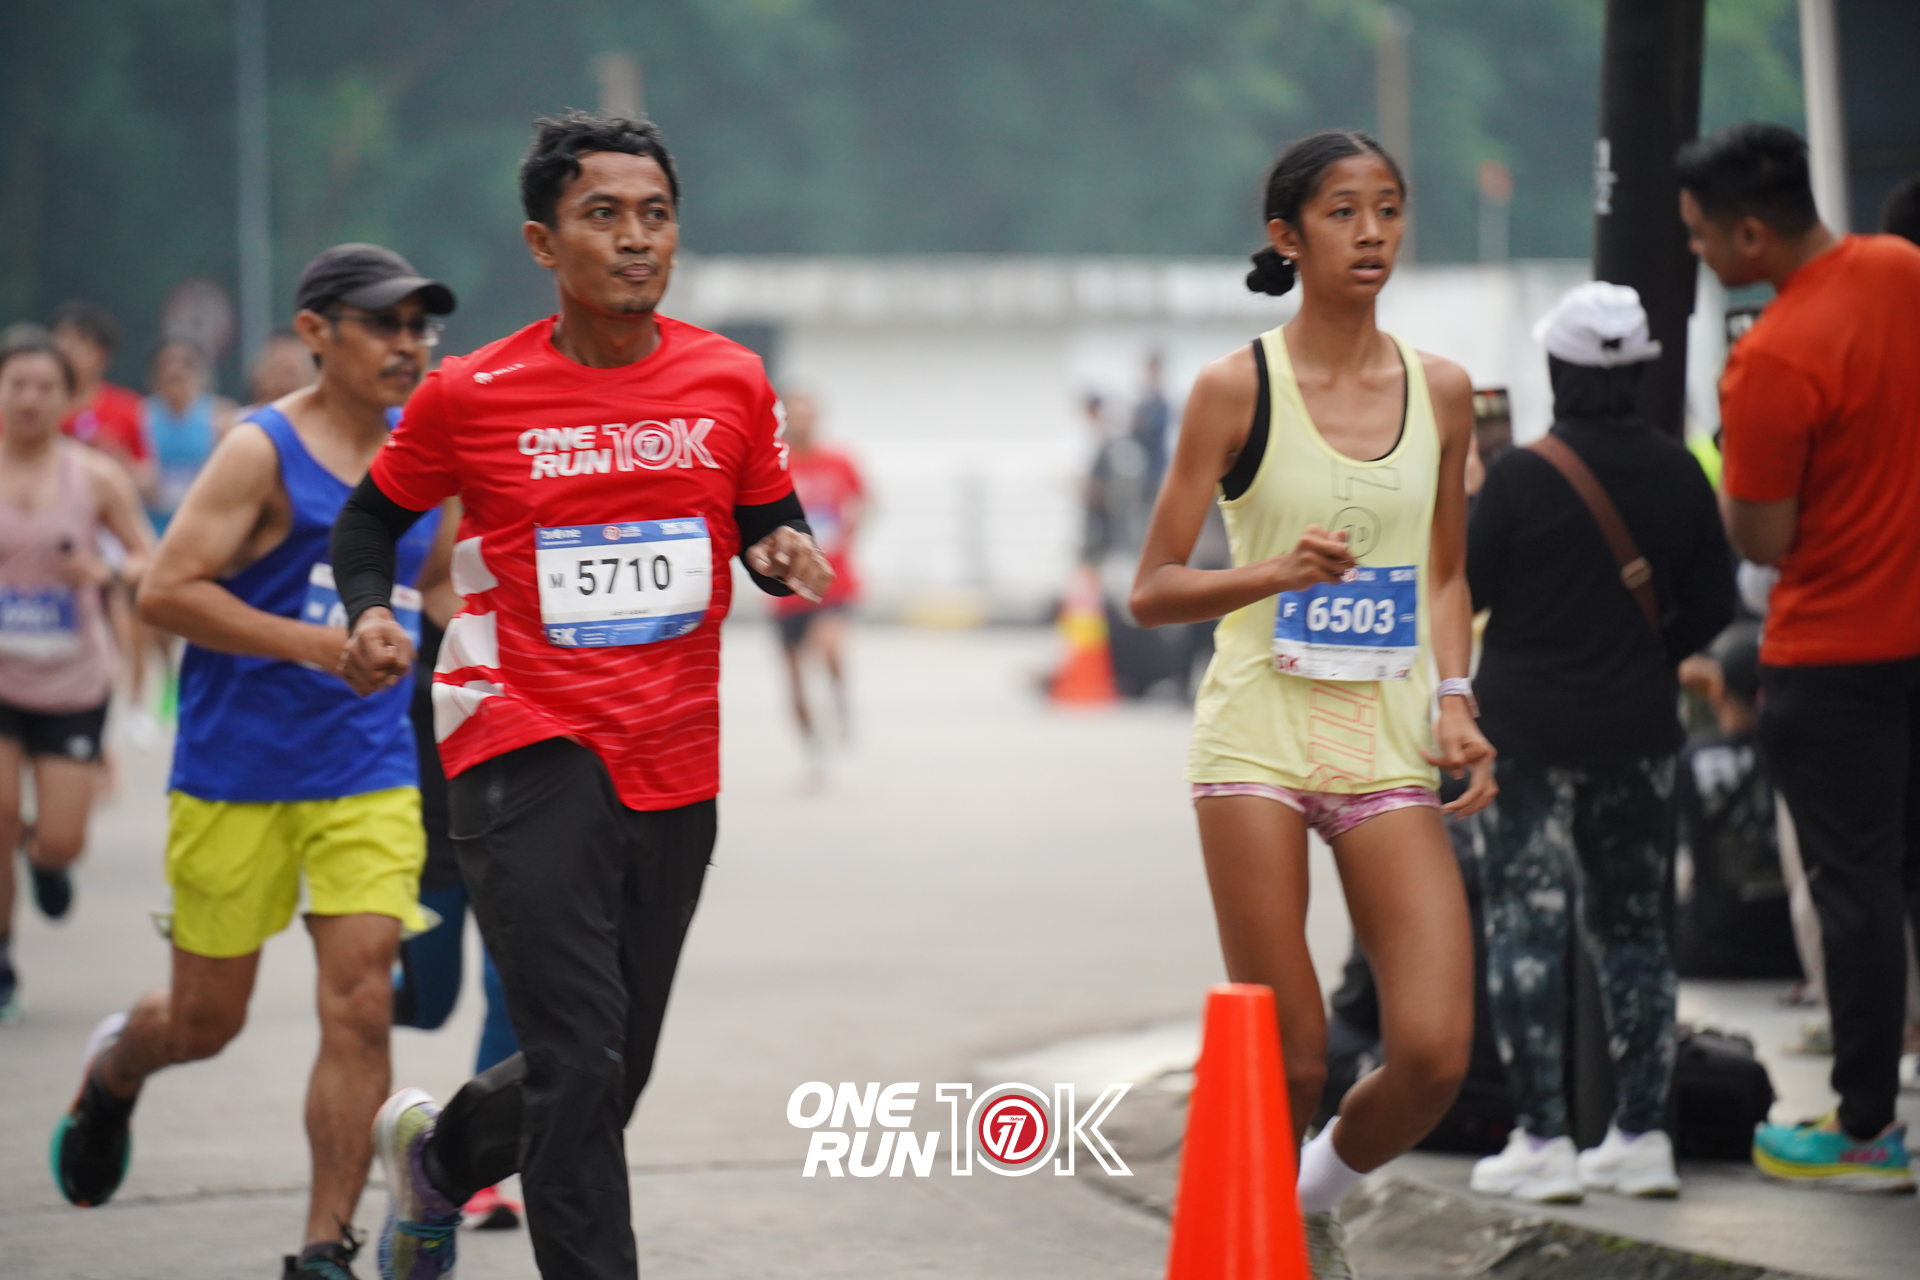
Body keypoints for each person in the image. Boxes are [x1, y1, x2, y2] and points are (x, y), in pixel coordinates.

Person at [327, 112, 830, 1280]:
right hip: (522, 742)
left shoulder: (729, 378)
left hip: (674, 756)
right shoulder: (473, 390)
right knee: (579, 1057)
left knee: (608, 1070)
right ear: (544, 244)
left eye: (655, 214)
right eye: (604, 215)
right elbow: (369, 519)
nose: (636, 237)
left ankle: (443, 1159)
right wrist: (368, 610)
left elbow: (764, 518)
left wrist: (783, 551)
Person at [49, 243, 458, 1280]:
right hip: (239, 770)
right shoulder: (259, 451)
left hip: (369, 765)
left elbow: (439, 585)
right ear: (316, 332)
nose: (408, 344)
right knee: (205, 1020)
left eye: (420, 326)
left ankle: (324, 1244)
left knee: (361, 999)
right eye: (384, 323)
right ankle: (115, 1073)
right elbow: (166, 591)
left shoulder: (430, 453)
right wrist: (324, 644)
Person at [1129, 130, 1494, 1278]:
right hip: (1259, 739)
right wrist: (1273, 574)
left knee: (1434, 1051)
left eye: (1389, 207)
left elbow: (1446, 571)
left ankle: (1308, 1196)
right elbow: (1151, 588)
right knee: (1289, 1053)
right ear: (1286, 236)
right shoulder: (1235, 388)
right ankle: (1266, 1245)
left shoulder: (1441, 391)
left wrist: (1456, 697)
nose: (1373, 232)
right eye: (1344, 211)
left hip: (1385, 739)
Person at [1678, 121, 1920, 1191]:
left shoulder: (1770, 356)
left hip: (1835, 656)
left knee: (1857, 891)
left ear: (1749, 234)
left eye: (1698, 235)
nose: (1695, 253)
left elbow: (1763, 537)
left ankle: (1866, 1129)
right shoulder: (1905, 270)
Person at [1462, 282, 1735, 1203]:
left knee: (1526, 925)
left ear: (1558, 370)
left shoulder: (1520, 477)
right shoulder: (1680, 471)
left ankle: (1543, 1139)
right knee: (1636, 932)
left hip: (1526, 732)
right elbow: (1715, 599)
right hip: (1638, 730)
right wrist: (1649, 654)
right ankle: (1642, 1136)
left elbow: (1470, 587)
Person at [0, 339, 153, 1020]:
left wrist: (107, 571)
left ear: (67, 398)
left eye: (44, 386)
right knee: (0, 815)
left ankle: (47, 862)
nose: (29, 399)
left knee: (61, 839)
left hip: (71, 682)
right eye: (16, 384)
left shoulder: (94, 477)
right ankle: (2, 959)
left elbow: (149, 557)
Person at [389, 608, 523, 1231]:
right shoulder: (388, 600)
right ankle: (354, 997)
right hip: (429, 835)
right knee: (429, 1003)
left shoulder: (521, 587)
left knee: (509, 988)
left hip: (518, 821)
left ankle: (475, 1172)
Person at [771, 386, 866, 752]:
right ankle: (811, 746)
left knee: (829, 648)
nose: (803, 423)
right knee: (794, 674)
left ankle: (841, 703)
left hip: (833, 579)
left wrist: (850, 533)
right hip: (787, 584)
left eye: (808, 415)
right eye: (796, 416)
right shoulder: (775, 464)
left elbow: (864, 500)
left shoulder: (839, 461)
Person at [52, 301, 153, 493]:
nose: (66, 348)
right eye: (61, 337)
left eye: (80, 340)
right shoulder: (28, 404)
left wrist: (118, 461)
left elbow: (148, 484)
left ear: (103, 354)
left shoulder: (127, 408)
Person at [144, 339, 238, 532]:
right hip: (151, 528)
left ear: (201, 373)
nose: (175, 370)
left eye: (186, 363)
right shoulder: (139, 416)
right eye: (166, 364)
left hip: (202, 530)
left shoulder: (220, 416)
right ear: (154, 374)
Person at [251, 331, 319, 407]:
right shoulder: (247, 415)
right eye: (275, 373)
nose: (283, 383)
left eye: (290, 374)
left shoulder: (322, 414)